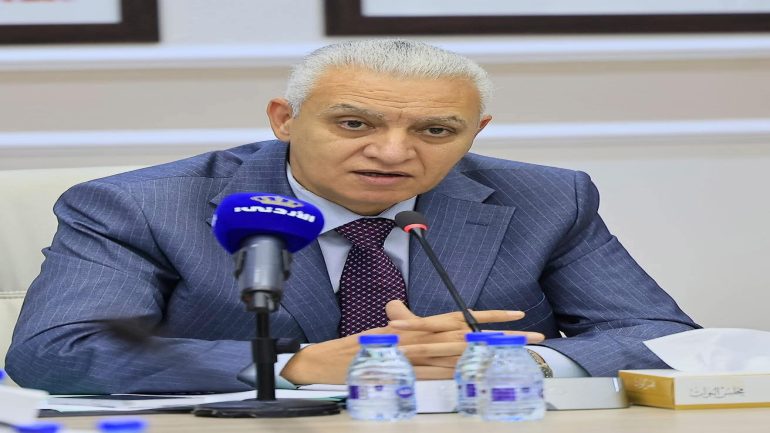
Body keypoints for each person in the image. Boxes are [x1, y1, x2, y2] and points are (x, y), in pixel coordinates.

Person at [6, 40, 697, 394]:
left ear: (474, 133)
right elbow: (55, 353)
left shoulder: (549, 199)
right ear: (285, 119)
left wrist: (524, 361)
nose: (392, 152)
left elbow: (665, 337)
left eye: (435, 130)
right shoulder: (141, 205)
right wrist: (294, 364)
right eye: (354, 123)